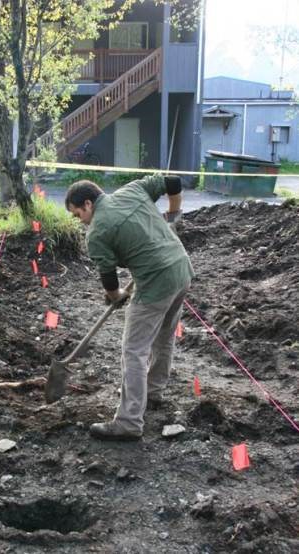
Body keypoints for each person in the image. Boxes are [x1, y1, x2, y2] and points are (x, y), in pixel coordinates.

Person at [64, 174, 194, 440]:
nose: (81, 221)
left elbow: (109, 280)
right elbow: (173, 181)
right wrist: (173, 215)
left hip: (156, 284)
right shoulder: (133, 190)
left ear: (88, 204)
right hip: (182, 270)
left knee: (133, 350)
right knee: (164, 337)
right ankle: (153, 391)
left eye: (78, 215)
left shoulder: (97, 231)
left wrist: (115, 295)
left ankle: (129, 422)